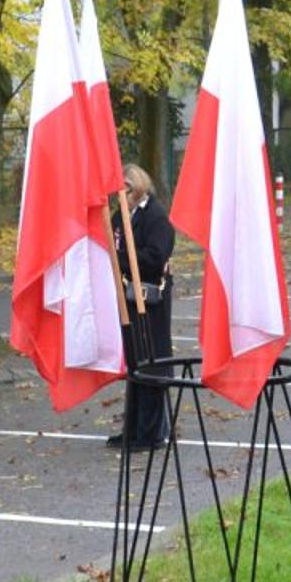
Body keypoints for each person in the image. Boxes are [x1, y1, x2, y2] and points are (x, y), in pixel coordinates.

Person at [109, 163, 174, 449]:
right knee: (135, 361)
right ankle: (133, 428)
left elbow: (156, 256)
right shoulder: (119, 216)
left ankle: (152, 432)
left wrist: (119, 258)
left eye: (126, 187)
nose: (121, 193)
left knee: (153, 361)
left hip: (150, 299)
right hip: (128, 297)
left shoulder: (155, 216)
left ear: (138, 187)